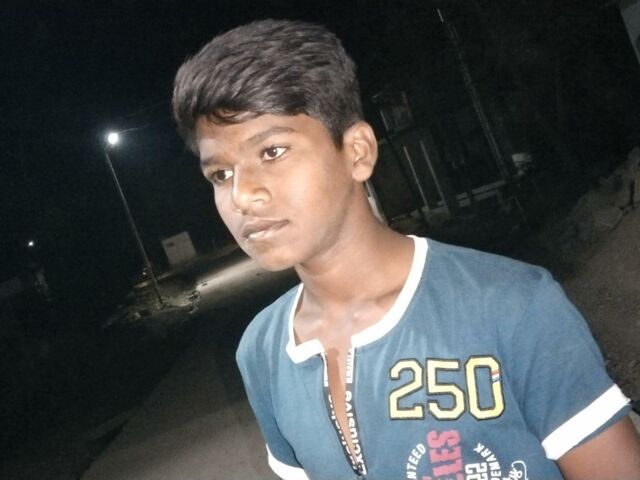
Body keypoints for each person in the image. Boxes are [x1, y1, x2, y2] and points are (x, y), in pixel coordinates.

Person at [172, 18, 640, 480]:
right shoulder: (262, 351)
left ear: (357, 152)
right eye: (221, 174)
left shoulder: (510, 305)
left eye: (272, 152)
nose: (242, 195)